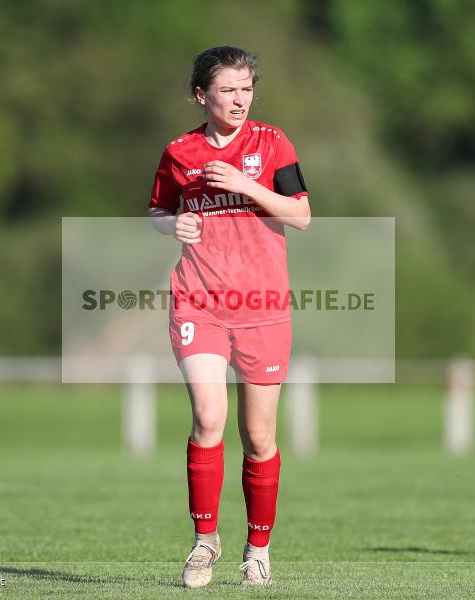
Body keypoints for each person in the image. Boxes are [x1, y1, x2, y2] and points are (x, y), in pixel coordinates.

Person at [148, 45, 310, 587]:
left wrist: (246, 186)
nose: (240, 100)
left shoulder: (272, 143)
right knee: (208, 418)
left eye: (247, 89)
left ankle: (258, 549)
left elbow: (302, 215)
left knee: (258, 436)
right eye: (228, 90)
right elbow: (157, 211)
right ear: (202, 95)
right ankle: (203, 541)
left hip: (262, 306)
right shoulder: (180, 152)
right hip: (199, 300)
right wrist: (175, 227)